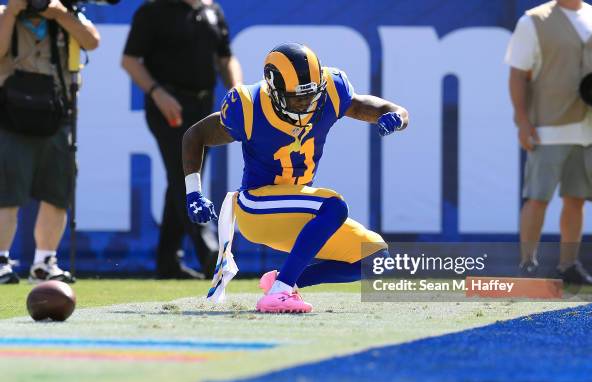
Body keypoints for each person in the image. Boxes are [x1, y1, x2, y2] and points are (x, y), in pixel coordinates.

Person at [182, 42, 409, 313]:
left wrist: (397, 116)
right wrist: (193, 191)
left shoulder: (332, 90)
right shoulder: (249, 105)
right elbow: (194, 135)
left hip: (298, 212)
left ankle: (283, 281)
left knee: (377, 260)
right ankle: (279, 293)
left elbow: (380, 107)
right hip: (256, 206)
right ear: (274, 90)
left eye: (312, 95)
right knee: (333, 205)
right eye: (297, 98)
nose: (306, 104)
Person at [122, 0, 242, 280]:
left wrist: (237, 93)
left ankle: (168, 261)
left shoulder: (212, 10)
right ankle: (211, 252)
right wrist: (156, 92)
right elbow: (129, 60)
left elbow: (225, 57)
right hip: (168, 106)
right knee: (185, 175)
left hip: (205, 105)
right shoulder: (153, 10)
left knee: (181, 178)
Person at [506, 0, 592, 285]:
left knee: (577, 200)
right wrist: (522, 121)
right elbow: (518, 74)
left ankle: (569, 266)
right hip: (547, 128)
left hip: (591, 129)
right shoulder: (533, 20)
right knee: (537, 198)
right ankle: (527, 265)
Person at [0, 0, 99, 284]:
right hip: (10, 116)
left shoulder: (65, 13)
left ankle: (44, 262)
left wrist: (59, 13)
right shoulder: (5, 14)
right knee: (6, 193)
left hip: (58, 116)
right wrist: (13, 11)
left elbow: (92, 42)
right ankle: (1, 260)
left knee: (57, 193)